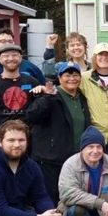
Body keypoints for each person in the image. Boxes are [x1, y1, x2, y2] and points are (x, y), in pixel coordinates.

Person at [24, 61, 92, 204]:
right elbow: (32, 116)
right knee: (51, 197)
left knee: (72, 195)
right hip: (51, 158)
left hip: (75, 156)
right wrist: (47, 97)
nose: (72, 78)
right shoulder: (51, 95)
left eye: (75, 75)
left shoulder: (81, 97)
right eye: (67, 75)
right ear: (60, 78)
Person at [0, 42, 40, 154]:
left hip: (26, 140)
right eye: (6, 56)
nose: (11, 59)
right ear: (0, 59)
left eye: (14, 55)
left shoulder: (32, 82)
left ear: (21, 58)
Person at [79, 42, 108, 160]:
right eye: (100, 55)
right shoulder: (84, 78)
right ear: (95, 57)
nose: (104, 58)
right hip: (95, 137)